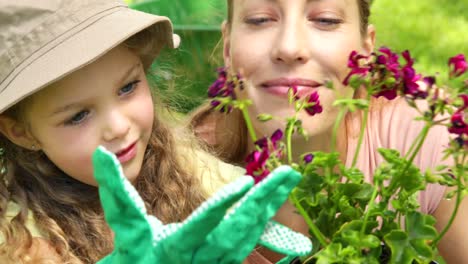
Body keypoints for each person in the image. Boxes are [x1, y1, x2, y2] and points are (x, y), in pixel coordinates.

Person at [0, 1, 312, 263]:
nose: (119, 126)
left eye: (127, 87)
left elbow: (262, 214)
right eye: (78, 115)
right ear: (20, 131)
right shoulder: (22, 241)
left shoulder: (184, 165)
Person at [190, 0, 468, 263]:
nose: (289, 47)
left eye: (326, 19)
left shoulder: (421, 130)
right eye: (260, 19)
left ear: (366, 48)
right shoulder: (181, 170)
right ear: (228, 48)